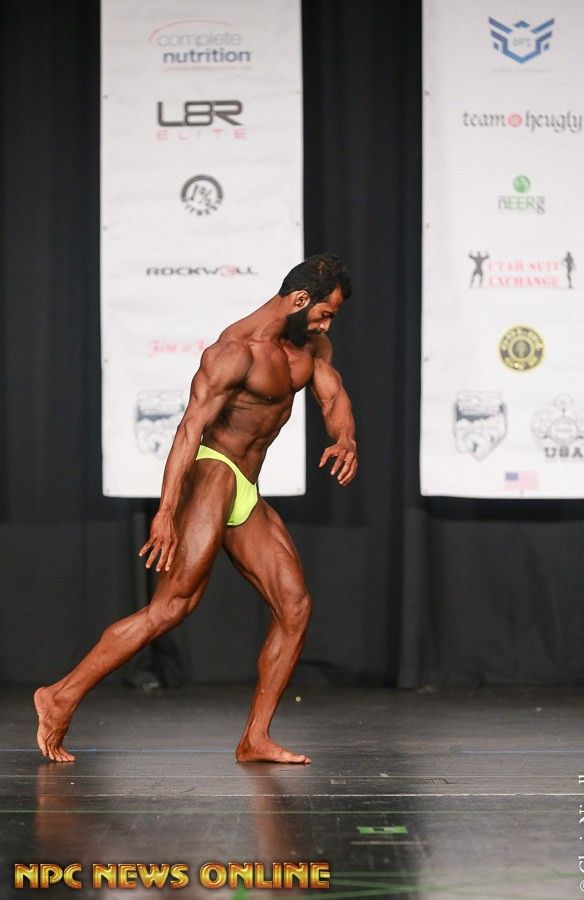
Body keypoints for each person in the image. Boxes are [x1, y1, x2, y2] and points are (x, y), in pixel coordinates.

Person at [34, 253, 357, 765]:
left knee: (295, 607)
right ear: (299, 300)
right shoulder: (233, 351)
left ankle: (255, 738)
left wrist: (345, 438)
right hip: (213, 472)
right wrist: (166, 511)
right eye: (324, 313)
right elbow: (189, 429)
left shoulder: (312, 347)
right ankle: (60, 695)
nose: (326, 325)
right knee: (172, 607)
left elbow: (332, 397)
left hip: (246, 485)